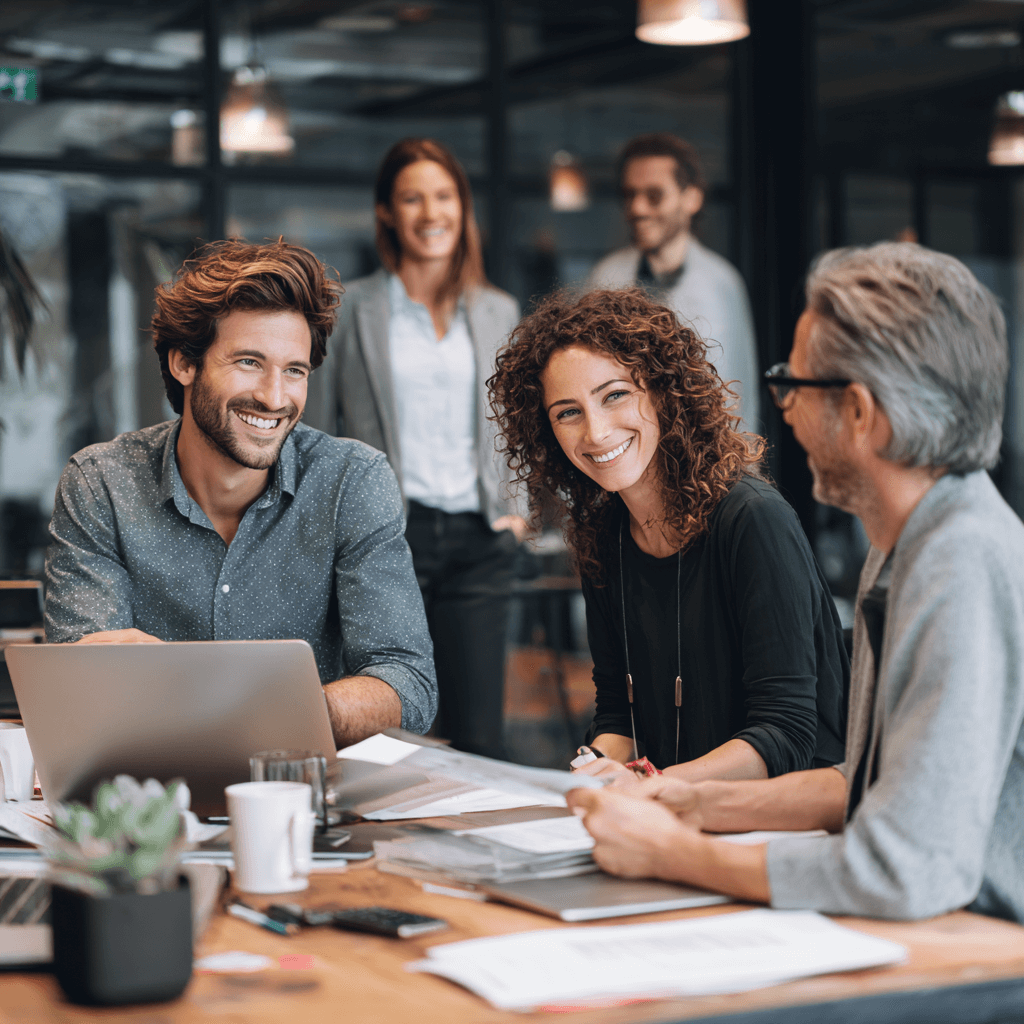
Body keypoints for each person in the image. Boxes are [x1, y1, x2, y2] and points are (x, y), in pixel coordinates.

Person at [568, 243, 1024, 923]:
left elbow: (903, 868)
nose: (783, 409)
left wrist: (673, 853)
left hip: (980, 949)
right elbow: (860, 787)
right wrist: (688, 802)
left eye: (795, 384)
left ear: (860, 413)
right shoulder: (907, 542)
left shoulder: (961, 562)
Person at [44, 239, 437, 750]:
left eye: (294, 371)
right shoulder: (101, 484)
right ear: (184, 363)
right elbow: (80, 686)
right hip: (149, 782)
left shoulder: (351, 481)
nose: (275, 397)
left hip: (302, 784)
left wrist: (270, 711)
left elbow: (408, 683)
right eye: (249, 362)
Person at [489, 287, 848, 784]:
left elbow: (785, 734)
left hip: (778, 816)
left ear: (662, 391)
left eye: (615, 395)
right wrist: (591, 770)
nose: (596, 432)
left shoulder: (754, 519)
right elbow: (617, 716)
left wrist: (654, 788)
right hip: (669, 810)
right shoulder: (603, 536)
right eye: (568, 412)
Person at [304, 138, 525, 758]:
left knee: (480, 738)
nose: (432, 213)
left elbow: (518, 420)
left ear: (463, 206)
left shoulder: (497, 310)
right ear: (387, 212)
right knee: (391, 735)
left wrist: (518, 508)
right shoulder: (353, 309)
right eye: (412, 198)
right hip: (387, 538)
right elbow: (314, 428)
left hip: (480, 541)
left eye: (444, 196)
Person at [588, 133, 760, 431]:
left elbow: (737, 395)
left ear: (691, 198)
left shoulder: (721, 283)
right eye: (629, 195)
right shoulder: (605, 277)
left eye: (654, 195)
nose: (637, 208)